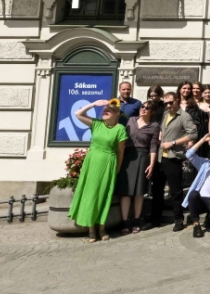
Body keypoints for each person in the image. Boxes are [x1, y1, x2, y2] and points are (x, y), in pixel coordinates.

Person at [67, 99, 126, 242]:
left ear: (117, 114)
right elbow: (77, 113)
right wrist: (93, 104)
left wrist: (117, 169)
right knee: (91, 194)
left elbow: (120, 152)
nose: (105, 112)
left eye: (109, 110)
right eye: (104, 110)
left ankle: (102, 228)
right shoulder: (97, 124)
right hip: (92, 163)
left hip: (108, 164)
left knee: (103, 196)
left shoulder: (120, 129)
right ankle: (91, 230)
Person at [121, 97, 162, 232]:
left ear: (152, 112)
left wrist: (151, 164)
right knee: (126, 192)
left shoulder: (155, 126)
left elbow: (153, 146)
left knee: (139, 192)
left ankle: (137, 220)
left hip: (143, 156)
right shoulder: (131, 120)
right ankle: (125, 221)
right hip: (128, 156)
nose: (143, 109)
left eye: (147, 108)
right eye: (142, 107)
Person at [158, 93, 196, 224]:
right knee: (157, 189)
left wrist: (173, 143)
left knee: (175, 191)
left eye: (170, 102)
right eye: (165, 103)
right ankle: (155, 219)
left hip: (173, 157)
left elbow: (193, 134)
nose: (168, 105)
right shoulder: (165, 114)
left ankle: (178, 220)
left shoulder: (184, 116)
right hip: (160, 157)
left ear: (177, 101)